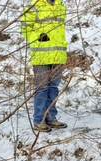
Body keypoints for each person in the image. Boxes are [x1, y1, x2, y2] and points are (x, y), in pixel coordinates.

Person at [21, 0, 68, 132]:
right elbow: (24, 27)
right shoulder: (34, 5)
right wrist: (36, 40)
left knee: (53, 87)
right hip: (41, 55)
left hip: (58, 55)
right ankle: (39, 120)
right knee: (42, 88)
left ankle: (51, 117)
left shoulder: (60, 5)